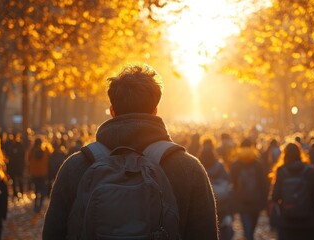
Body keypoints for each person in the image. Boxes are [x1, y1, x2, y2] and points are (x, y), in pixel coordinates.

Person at [43, 64, 218, 239]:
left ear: (112, 111)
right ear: (155, 111)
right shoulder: (188, 168)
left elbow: (53, 234)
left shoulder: (76, 166)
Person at [269, 142, 314, 240]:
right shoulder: (311, 171)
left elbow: (275, 196)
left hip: (287, 221)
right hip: (307, 221)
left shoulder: (281, 171)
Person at [231, 138, 268, 240]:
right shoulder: (257, 163)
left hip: (242, 201)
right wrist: (265, 200)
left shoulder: (236, 164)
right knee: (252, 227)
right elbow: (263, 183)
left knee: (247, 227)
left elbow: (232, 183)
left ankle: (249, 236)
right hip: (256, 200)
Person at [198, 138, 233, 240]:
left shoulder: (197, 166)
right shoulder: (220, 165)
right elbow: (228, 181)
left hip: (205, 202)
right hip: (221, 201)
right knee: (222, 226)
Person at [28, 137, 51, 213]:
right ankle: (40, 206)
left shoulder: (31, 151)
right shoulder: (45, 151)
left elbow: (27, 161)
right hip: (43, 174)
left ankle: (35, 206)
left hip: (34, 174)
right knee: (42, 191)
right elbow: (50, 155)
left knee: (36, 191)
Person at [6, 133, 26, 199]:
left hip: (19, 166)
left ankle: (21, 192)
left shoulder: (20, 145)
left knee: (20, 180)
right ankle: (15, 193)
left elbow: (23, 156)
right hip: (13, 167)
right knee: (14, 181)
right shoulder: (11, 145)